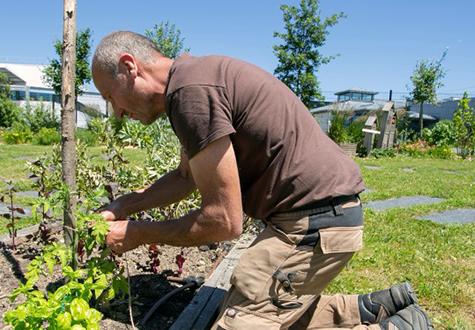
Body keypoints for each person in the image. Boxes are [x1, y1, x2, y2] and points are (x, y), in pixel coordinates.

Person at [92, 31, 433, 330]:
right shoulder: (192, 81)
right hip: (318, 215)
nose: (117, 112)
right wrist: (126, 205)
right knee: (250, 307)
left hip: (314, 224)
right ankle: (374, 308)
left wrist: (139, 233)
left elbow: (223, 222)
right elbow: (186, 178)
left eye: (110, 97)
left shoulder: (191, 94)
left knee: (242, 321)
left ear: (129, 66)